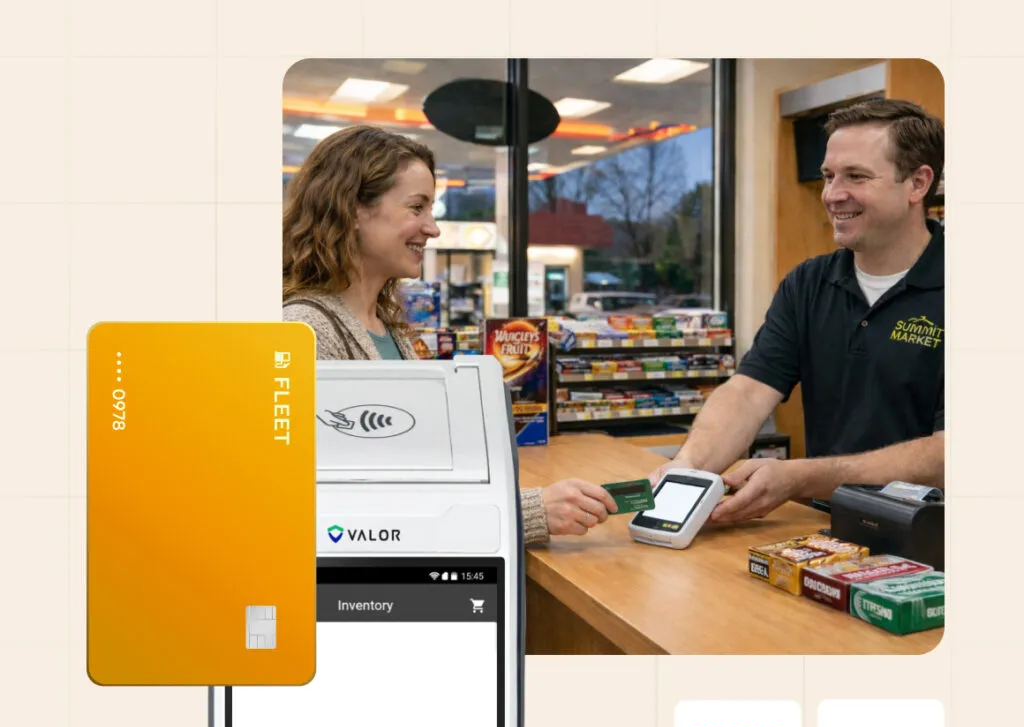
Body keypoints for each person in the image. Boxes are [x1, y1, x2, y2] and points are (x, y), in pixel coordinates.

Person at [281, 124, 617, 545]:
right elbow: (341, 514)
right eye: (417, 207)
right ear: (353, 209)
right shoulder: (304, 333)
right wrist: (528, 512)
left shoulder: (388, 329)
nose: (433, 228)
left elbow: (413, 477)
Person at [651, 98, 944, 524]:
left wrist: (799, 476)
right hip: (828, 527)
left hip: (934, 538)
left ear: (917, 183)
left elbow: (950, 454)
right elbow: (749, 392)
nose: (831, 195)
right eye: (828, 176)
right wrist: (689, 465)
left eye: (856, 177)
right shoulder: (808, 283)